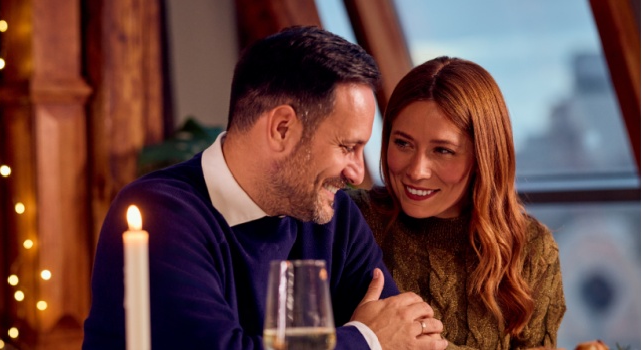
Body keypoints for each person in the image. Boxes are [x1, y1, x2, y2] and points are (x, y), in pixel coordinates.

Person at [83, 26, 448, 350]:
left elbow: (410, 336)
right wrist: (367, 340)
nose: (356, 173)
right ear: (282, 129)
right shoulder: (158, 216)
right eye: (346, 147)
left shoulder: (333, 217)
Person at [347, 56, 566, 349]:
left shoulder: (532, 249)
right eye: (403, 143)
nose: (416, 170)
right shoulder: (349, 220)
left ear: (482, 158)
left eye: (442, 150)